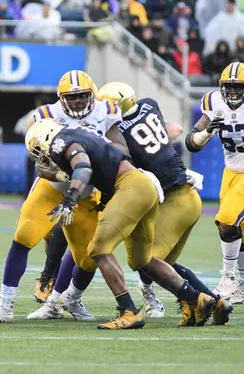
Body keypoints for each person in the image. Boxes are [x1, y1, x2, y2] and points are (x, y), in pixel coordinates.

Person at [32, 118, 216, 329]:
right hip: (144, 184)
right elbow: (95, 167)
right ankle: (196, 299)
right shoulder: (80, 133)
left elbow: (83, 167)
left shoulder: (61, 141)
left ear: (46, 137)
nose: (44, 157)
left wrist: (69, 199)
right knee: (141, 260)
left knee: (98, 249)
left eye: (40, 150)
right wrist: (60, 174)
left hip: (131, 186)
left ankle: (129, 311)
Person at [0, 70, 126, 324]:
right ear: (61, 99)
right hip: (52, 187)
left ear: (92, 95)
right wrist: (66, 177)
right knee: (24, 235)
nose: (79, 102)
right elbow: (39, 164)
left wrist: (100, 149)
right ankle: (5, 306)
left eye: (83, 96)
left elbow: (123, 148)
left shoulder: (107, 110)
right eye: (73, 97)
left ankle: (68, 300)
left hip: (89, 193)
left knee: (89, 256)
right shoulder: (47, 116)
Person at [97, 82, 231, 325]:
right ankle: (216, 301)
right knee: (165, 264)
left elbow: (123, 157)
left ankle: (195, 300)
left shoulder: (121, 137)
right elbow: (173, 129)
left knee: (143, 261)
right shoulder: (150, 105)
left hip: (174, 200)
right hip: (190, 196)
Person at [186, 63, 244, 301]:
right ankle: (241, 286)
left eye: (237, 87)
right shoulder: (213, 102)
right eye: (228, 87)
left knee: (228, 222)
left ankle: (228, 279)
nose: (232, 93)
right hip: (230, 171)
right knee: (237, 231)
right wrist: (207, 132)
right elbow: (192, 143)